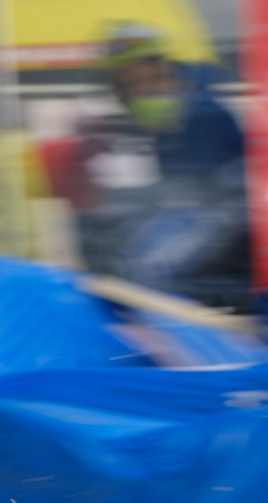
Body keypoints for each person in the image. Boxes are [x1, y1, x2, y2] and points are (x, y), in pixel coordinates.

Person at [46, 24, 250, 309]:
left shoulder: (209, 122)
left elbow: (208, 208)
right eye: (131, 88)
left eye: (155, 80)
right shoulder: (139, 137)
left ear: (172, 77)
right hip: (191, 284)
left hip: (221, 283)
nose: (146, 93)